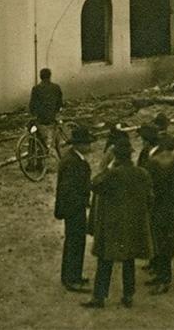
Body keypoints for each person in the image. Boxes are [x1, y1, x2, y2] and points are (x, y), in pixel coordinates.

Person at [82, 138, 154, 309]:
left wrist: (108, 165)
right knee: (128, 262)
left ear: (116, 157)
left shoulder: (111, 175)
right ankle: (128, 296)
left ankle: (99, 298)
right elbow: (150, 200)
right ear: (130, 156)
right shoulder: (141, 173)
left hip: (112, 226)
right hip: (132, 226)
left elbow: (95, 184)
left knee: (105, 262)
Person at [54, 125, 94, 293]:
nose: (90, 146)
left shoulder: (73, 158)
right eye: (87, 143)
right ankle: (71, 279)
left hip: (73, 207)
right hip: (74, 208)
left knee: (75, 241)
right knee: (75, 242)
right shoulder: (73, 162)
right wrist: (82, 202)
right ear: (78, 145)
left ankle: (72, 275)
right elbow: (69, 189)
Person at [146, 134, 174, 294]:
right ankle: (161, 276)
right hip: (162, 209)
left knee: (164, 246)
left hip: (165, 211)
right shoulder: (169, 164)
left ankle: (164, 280)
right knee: (160, 244)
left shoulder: (167, 167)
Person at [29, 68, 64, 153]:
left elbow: (32, 105)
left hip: (41, 118)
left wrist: (34, 114)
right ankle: (49, 147)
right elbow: (60, 103)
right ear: (50, 76)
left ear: (40, 77)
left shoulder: (36, 88)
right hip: (52, 117)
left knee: (31, 129)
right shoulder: (56, 87)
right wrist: (56, 111)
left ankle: (36, 151)